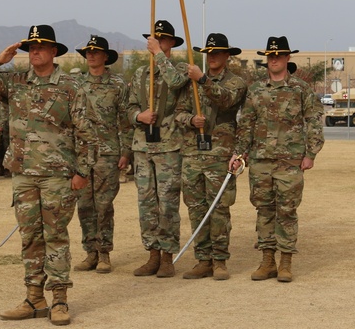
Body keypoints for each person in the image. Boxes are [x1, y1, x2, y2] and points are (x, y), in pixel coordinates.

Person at [0, 24, 91, 326]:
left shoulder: (71, 87)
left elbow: (87, 132)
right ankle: (34, 297)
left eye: (40, 47)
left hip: (57, 175)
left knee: (56, 236)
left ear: (53, 52)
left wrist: (83, 172)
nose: (34, 51)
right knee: (30, 238)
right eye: (30, 47)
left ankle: (59, 299)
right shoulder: (15, 82)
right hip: (23, 172)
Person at [230, 36, 324, 282]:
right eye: (270, 56)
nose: (274, 60)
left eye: (279, 56)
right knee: (264, 211)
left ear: (287, 58)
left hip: (290, 162)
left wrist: (311, 153)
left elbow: (314, 120)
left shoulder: (300, 89)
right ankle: (267, 261)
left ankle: (285, 263)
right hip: (260, 161)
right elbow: (246, 124)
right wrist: (239, 153)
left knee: (287, 211)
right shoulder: (256, 90)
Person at [176, 33, 247, 280]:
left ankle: (220, 260)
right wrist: (190, 119)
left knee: (219, 208)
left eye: (217, 52)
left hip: (220, 154)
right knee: (196, 208)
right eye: (209, 53)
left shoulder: (235, 82)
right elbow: (178, 113)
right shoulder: (190, 83)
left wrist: (203, 79)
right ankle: (202, 259)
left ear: (227, 56)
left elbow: (225, 100)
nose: (212, 56)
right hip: (193, 153)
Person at [127, 20, 189, 278]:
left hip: (168, 146)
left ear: (171, 43)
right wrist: (138, 116)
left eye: (162, 40)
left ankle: (167, 256)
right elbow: (129, 106)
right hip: (143, 147)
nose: (157, 43)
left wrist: (158, 57)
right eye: (155, 39)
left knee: (168, 203)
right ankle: (152, 253)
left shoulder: (180, 69)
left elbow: (175, 82)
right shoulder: (140, 74)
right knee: (146, 203)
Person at [73, 35, 130, 274]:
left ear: (106, 56)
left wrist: (126, 151)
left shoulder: (118, 84)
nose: (91, 55)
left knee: (104, 205)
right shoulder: (75, 84)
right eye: (88, 51)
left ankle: (105, 252)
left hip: (108, 153)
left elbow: (125, 121)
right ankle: (90, 253)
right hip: (81, 154)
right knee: (85, 205)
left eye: (96, 51)